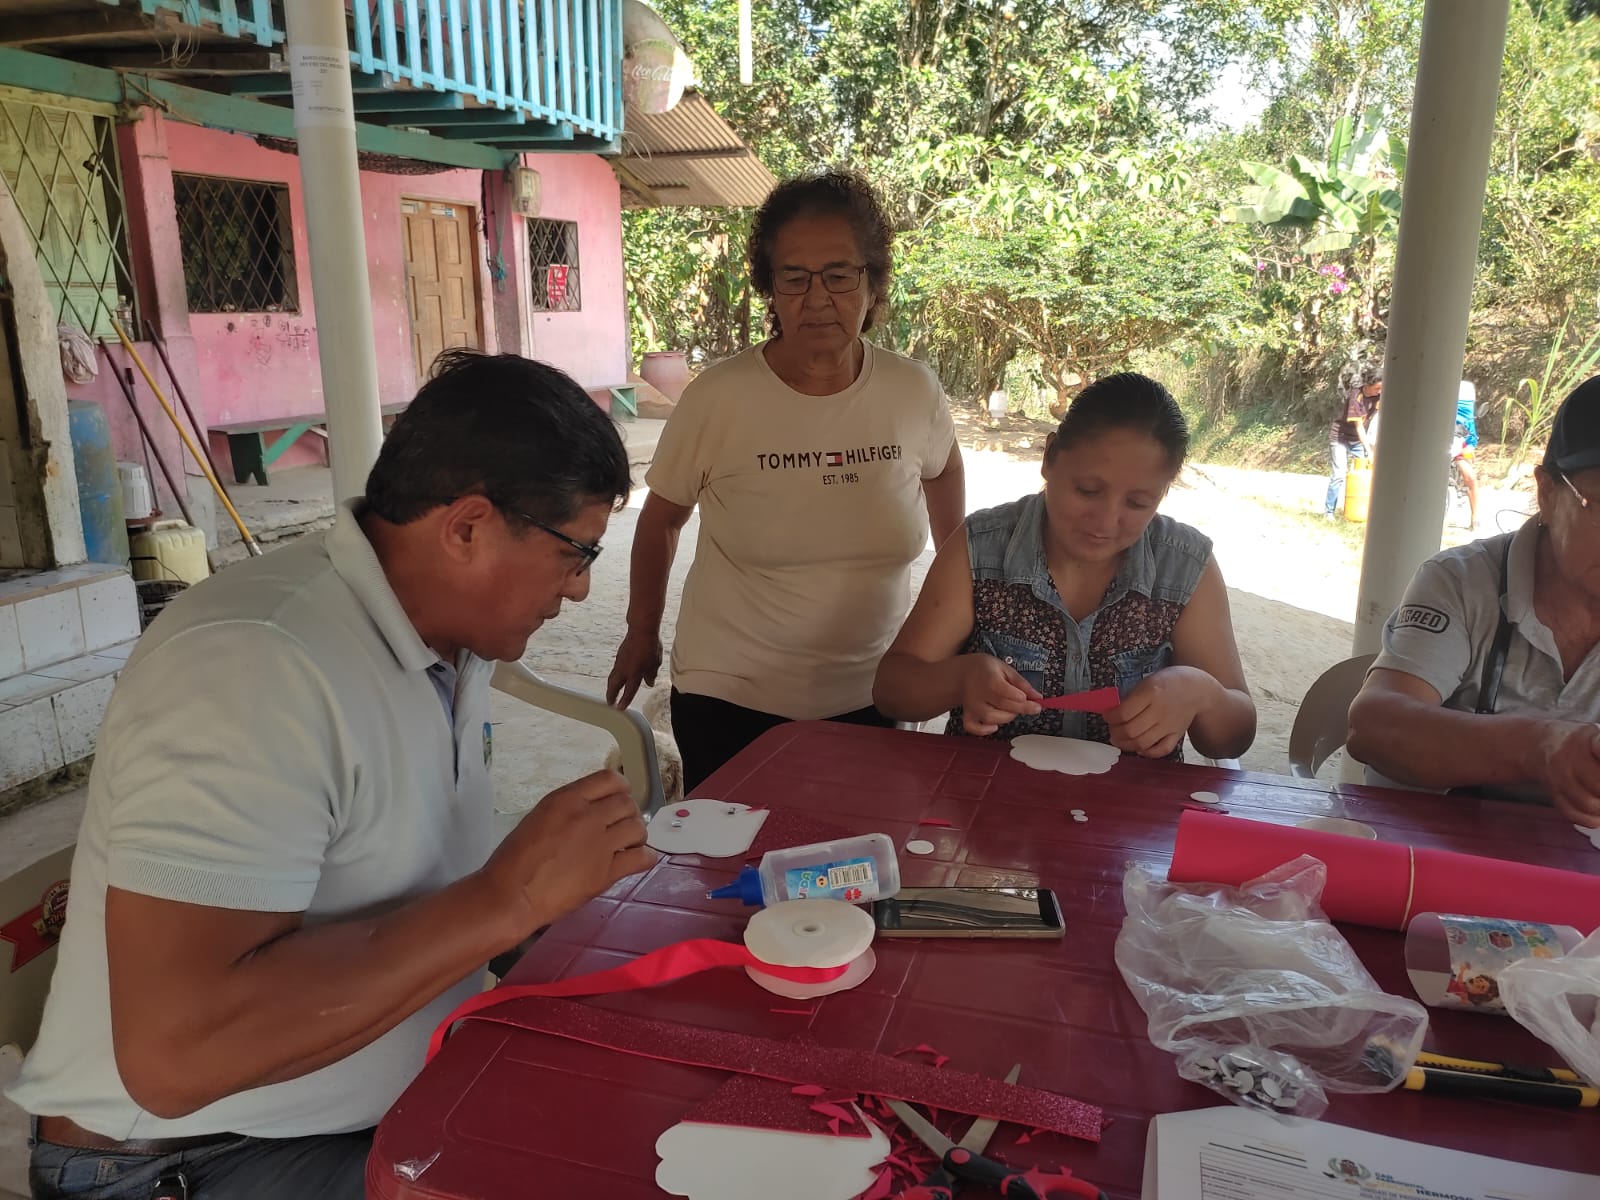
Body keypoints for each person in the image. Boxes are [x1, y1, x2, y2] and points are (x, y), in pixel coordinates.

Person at [8, 352, 657, 1199]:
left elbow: (397, 879)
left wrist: (538, 914)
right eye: (577, 554)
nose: (580, 590)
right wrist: (509, 898)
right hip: (185, 1160)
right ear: (467, 527)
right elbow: (177, 1055)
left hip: (366, 1107)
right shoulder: (254, 665)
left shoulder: (444, 640)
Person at [606, 169, 965, 790]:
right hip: (731, 695)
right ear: (769, 288)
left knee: (860, 848)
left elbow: (945, 472)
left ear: (872, 282)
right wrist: (642, 631)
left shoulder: (912, 392)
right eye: (794, 277)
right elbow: (661, 517)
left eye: (839, 274)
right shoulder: (720, 397)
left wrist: (960, 615)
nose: (817, 297)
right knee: (735, 851)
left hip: (875, 692)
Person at [872, 372, 1256, 763]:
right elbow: (892, 689)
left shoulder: (1184, 566)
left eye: (1138, 503)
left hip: (1131, 800)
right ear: (1049, 457)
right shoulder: (981, 549)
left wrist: (1201, 694)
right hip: (989, 792)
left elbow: (1233, 740)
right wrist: (960, 678)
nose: (1106, 521)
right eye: (1087, 490)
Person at [1347, 375, 1600, 823]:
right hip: (1435, 852)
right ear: (1546, 493)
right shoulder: (1463, 583)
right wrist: (1538, 748)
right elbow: (1374, 726)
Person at [1325, 366, 1381, 517]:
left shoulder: (1379, 396)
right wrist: (1370, 452)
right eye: (1377, 388)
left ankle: (1360, 510)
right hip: (1340, 437)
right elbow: (1359, 427)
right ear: (1368, 384)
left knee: (1365, 473)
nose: (1379, 391)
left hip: (1357, 440)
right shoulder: (1355, 396)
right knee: (1339, 474)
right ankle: (1329, 512)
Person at [1453, 379, 1481, 529]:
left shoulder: (1468, 417)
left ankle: (1475, 517)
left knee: (1470, 478)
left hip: (1460, 441)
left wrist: (1470, 445)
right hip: (1447, 440)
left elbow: (1471, 430)